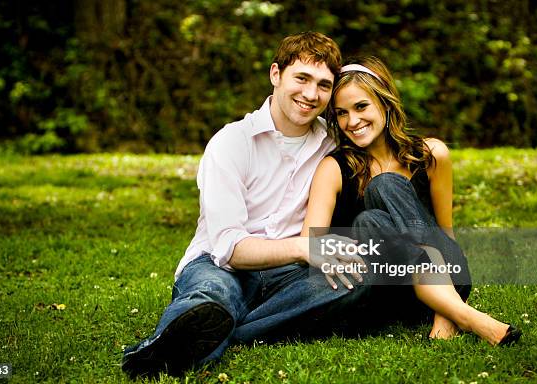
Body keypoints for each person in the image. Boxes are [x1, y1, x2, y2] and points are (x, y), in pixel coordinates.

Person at [121, 32, 371, 380]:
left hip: (291, 273)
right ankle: (163, 348)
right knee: (212, 293)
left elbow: (384, 144)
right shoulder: (231, 143)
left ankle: (231, 330)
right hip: (221, 265)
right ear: (275, 74)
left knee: (354, 279)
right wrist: (303, 247)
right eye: (302, 78)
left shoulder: (333, 142)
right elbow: (230, 249)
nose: (311, 94)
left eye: (324, 85)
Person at [301, 56, 522, 345]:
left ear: (385, 102)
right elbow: (310, 240)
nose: (352, 122)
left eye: (361, 106)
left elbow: (444, 232)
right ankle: (462, 315)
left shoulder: (431, 155)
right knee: (370, 221)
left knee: (385, 188)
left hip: (444, 276)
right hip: (381, 292)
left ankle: (446, 308)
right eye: (341, 113)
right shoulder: (334, 168)